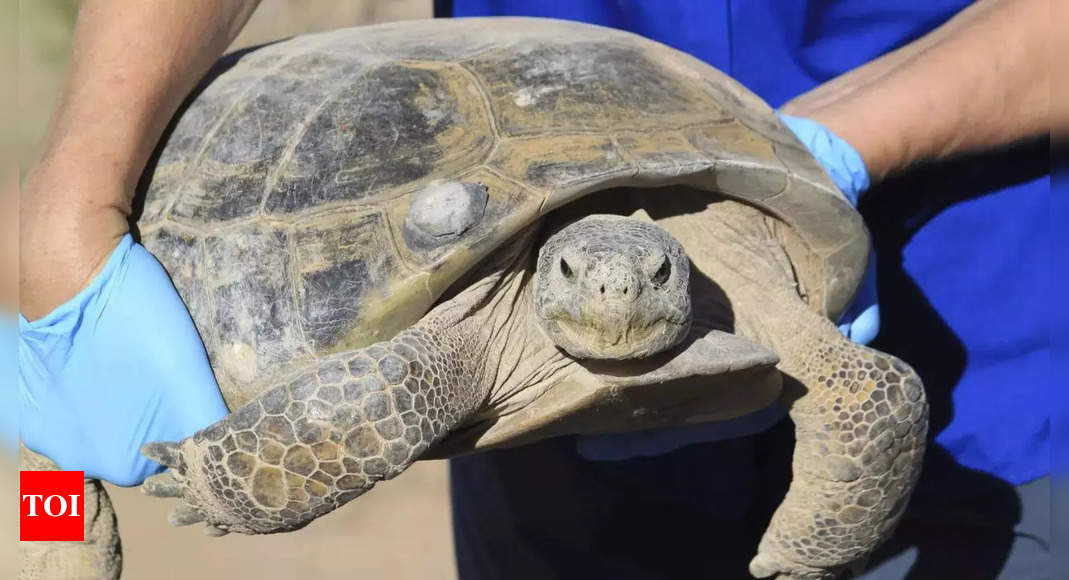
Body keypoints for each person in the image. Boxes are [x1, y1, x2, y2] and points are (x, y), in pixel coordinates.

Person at [15, 0, 1049, 578]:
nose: (616, 304)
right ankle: (50, 512)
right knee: (63, 443)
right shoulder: (451, 348)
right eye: (577, 281)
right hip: (554, 474)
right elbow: (391, 383)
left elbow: (873, 392)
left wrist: (828, 148)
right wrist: (64, 211)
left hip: (982, 342)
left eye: (647, 279)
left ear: (670, 260)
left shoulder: (735, 261)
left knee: (875, 399)